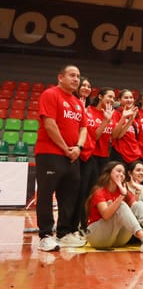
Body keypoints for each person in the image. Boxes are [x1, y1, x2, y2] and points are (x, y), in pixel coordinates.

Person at [35, 65, 88, 251]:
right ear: (60, 77)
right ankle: (45, 235)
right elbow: (49, 124)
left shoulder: (78, 103)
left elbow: (83, 128)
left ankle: (64, 234)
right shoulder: (50, 94)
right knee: (46, 194)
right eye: (72, 75)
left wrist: (78, 148)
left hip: (73, 156)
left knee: (69, 195)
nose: (76, 79)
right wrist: (66, 149)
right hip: (50, 153)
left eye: (78, 76)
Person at [86, 161, 143, 253]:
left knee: (139, 204)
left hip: (117, 239)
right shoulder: (99, 191)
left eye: (123, 173)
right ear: (109, 173)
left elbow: (138, 208)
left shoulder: (124, 191)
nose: (121, 174)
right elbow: (106, 215)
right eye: (118, 171)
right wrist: (121, 196)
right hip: (97, 237)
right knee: (122, 205)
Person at [74, 77, 98, 233]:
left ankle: (84, 224)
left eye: (89, 86)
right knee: (75, 192)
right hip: (75, 153)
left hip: (90, 154)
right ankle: (71, 225)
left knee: (87, 192)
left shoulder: (90, 109)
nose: (86, 88)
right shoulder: (73, 105)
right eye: (83, 85)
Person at [87, 87, 117, 174]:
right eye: (110, 96)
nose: (112, 100)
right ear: (100, 96)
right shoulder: (89, 110)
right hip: (90, 155)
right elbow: (94, 137)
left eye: (114, 98)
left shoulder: (112, 114)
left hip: (105, 156)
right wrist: (106, 121)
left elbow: (114, 136)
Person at [111, 89, 141, 167]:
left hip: (135, 153)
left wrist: (132, 118)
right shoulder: (116, 113)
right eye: (126, 98)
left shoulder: (136, 114)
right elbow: (116, 136)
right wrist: (126, 119)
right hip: (121, 154)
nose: (129, 100)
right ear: (119, 100)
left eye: (131, 97)